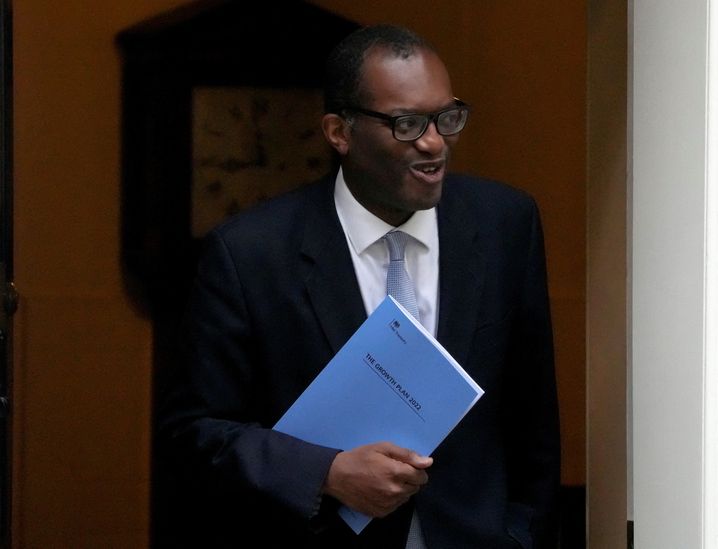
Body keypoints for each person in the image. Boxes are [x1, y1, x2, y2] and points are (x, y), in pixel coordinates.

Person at [157, 24, 560, 549]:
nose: (434, 142)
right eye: (407, 123)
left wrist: (519, 534)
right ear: (339, 132)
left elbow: (534, 421)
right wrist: (326, 473)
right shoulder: (252, 253)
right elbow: (195, 433)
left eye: (447, 117)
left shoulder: (506, 223)